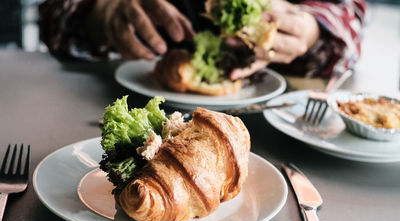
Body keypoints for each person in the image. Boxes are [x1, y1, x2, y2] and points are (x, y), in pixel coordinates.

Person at [39, 0, 367, 78]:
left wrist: (311, 30)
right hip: (116, 99)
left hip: (282, 131)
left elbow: (350, 16)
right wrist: (101, 13)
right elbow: (52, 16)